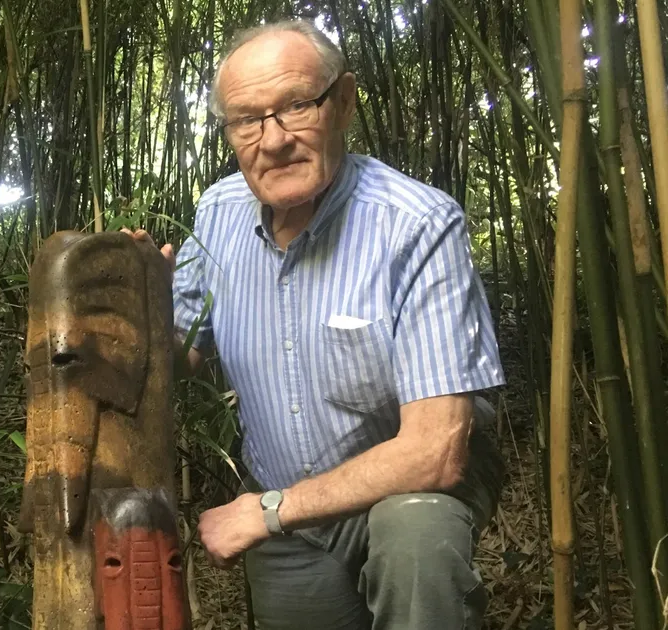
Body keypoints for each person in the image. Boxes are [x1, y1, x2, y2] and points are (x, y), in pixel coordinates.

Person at [123, 19, 506, 630]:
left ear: (344, 102)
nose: (272, 140)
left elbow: (436, 453)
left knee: (414, 531)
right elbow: (183, 359)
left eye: (296, 106)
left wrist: (269, 510)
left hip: (401, 490)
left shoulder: (417, 224)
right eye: (247, 119)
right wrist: (141, 311)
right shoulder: (219, 211)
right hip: (287, 501)